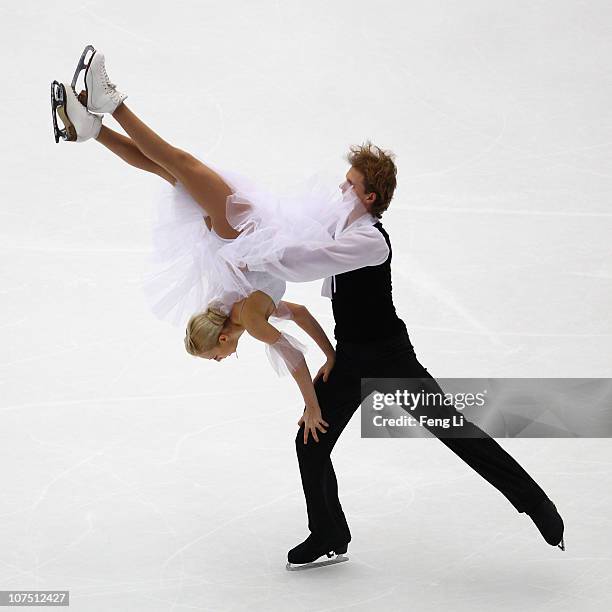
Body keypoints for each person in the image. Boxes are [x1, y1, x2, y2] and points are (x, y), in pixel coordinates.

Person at [50, 46, 392, 444]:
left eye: (214, 356)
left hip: (238, 234)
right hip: (234, 235)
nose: (219, 360)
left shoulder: (249, 317)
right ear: (222, 336)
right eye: (215, 357)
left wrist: (321, 378)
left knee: (180, 165)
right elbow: (297, 325)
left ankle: (108, 110)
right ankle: (94, 125)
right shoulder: (247, 316)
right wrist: (324, 373)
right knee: (171, 167)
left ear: (225, 337)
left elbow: (296, 344)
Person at [259, 143, 566, 568]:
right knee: (310, 442)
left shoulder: (369, 241)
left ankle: (539, 507)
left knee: (455, 431)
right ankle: (328, 531)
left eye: (350, 185)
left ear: (369, 198)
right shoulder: (340, 222)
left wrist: (253, 254)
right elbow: (299, 230)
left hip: (390, 359)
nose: (340, 189)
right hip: (348, 358)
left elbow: (308, 260)